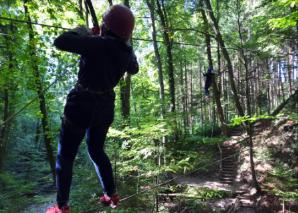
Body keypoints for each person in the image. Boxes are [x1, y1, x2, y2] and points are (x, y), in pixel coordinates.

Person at [46, 4, 138, 213]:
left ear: (107, 27)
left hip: (81, 106)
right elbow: (134, 68)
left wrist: (84, 31)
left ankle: (62, 206)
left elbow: (60, 41)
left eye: (105, 23)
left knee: (66, 156)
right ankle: (111, 193)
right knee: (96, 150)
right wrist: (124, 42)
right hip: (105, 108)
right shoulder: (125, 51)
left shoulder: (97, 44)